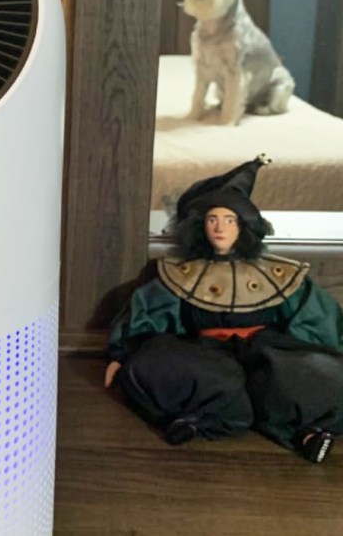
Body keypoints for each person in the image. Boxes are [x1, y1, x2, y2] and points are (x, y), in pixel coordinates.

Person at [105, 154, 343, 463]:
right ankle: (191, 421)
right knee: (157, 365)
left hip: (266, 348)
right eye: (212, 220)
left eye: (230, 220)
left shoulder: (277, 273)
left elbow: (313, 313)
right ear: (199, 226)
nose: (220, 228)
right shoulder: (182, 273)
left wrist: (326, 348)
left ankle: (308, 432)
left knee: (300, 376)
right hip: (205, 349)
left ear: (244, 227)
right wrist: (121, 353)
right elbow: (149, 312)